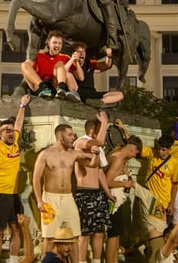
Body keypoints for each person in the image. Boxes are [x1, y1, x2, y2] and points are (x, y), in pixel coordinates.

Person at [32, 123, 102, 263]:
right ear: (60, 136)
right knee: (49, 236)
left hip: (68, 198)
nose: (73, 137)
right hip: (50, 199)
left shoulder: (74, 153)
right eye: (70, 134)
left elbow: (92, 164)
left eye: (73, 134)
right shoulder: (45, 154)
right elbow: (36, 178)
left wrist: (96, 154)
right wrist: (39, 200)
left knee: (75, 235)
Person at [0, 94, 30, 263]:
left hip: (13, 193)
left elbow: (19, 123)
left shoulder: (15, 142)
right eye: (7, 131)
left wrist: (22, 105)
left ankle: (12, 260)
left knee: (16, 228)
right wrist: (1, 128)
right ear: (2, 134)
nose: (11, 133)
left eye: (11, 131)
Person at [73, 111, 112, 263]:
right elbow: (99, 142)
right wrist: (105, 121)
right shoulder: (82, 142)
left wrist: (107, 192)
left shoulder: (97, 148)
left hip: (97, 194)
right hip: (85, 193)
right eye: (101, 128)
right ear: (92, 130)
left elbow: (100, 171)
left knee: (100, 232)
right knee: (85, 234)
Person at [138, 134, 178, 263]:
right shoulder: (152, 153)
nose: (161, 152)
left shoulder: (174, 163)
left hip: (162, 202)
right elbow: (136, 147)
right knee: (148, 227)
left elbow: (175, 185)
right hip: (149, 197)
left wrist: (172, 204)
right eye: (160, 149)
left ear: (169, 149)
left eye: (164, 150)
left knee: (158, 231)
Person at [104, 134, 143, 263]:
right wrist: (124, 184)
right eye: (134, 154)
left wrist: (126, 173)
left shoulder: (120, 157)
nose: (133, 157)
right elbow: (107, 181)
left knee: (117, 234)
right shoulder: (117, 159)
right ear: (132, 149)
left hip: (118, 200)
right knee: (113, 234)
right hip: (112, 200)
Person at [20, 29, 81, 102]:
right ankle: (43, 88)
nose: (57, 45)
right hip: (40, 85)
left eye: (59, 43)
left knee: (60, 64)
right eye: (55, 42)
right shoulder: (39, 56)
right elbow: (27, 69)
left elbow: (80, 77)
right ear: (48, 43)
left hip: (55, 84)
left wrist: (75, 61)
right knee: (24, 64)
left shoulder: (65, 58)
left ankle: (62, 89)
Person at [69, 42, 123, 108]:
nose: (81, 53)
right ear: (73, 53)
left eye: (83, 51)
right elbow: (81, 78)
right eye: (79, 51)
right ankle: (88, 101)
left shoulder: (89, 62)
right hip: (80, 93)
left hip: (92, 92)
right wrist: (76, 61)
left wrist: (109, 56)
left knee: (120, 95)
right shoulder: (70, 64)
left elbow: (106, 66)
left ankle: (98, 102)